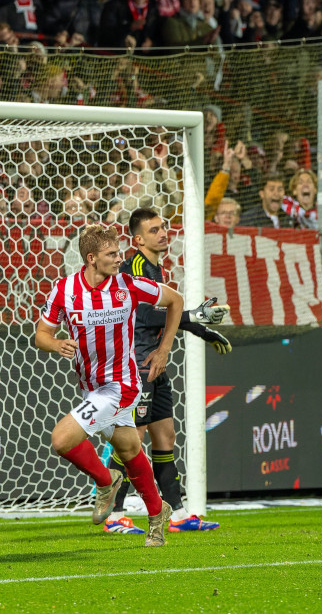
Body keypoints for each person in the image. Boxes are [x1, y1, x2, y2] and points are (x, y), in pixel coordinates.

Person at [35, 223, 181, 547]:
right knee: (129, 449)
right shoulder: (64, 290)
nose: (119, 259)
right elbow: (40, 335)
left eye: (119, 252)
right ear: (91, 258)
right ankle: (158, 512)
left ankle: (106, 480)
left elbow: (176, 300)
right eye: (112, 254)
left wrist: (164, 349)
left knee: (61, 439)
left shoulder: (129, 285)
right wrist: (56, 343)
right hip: (91, 387)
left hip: (123, 384)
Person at [104, 208, 231, 534]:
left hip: (155, 365)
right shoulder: (134, 268)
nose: (163, 233)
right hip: (136, 366)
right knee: (132, 441)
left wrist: (203, 330)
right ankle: (113, 515)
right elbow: (144, 317)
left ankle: (176, 514)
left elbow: (171, 316)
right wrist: (196, 317)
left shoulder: (155, 268)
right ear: (138, 239)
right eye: (155, 229)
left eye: (163, 227)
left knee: (165, 437)